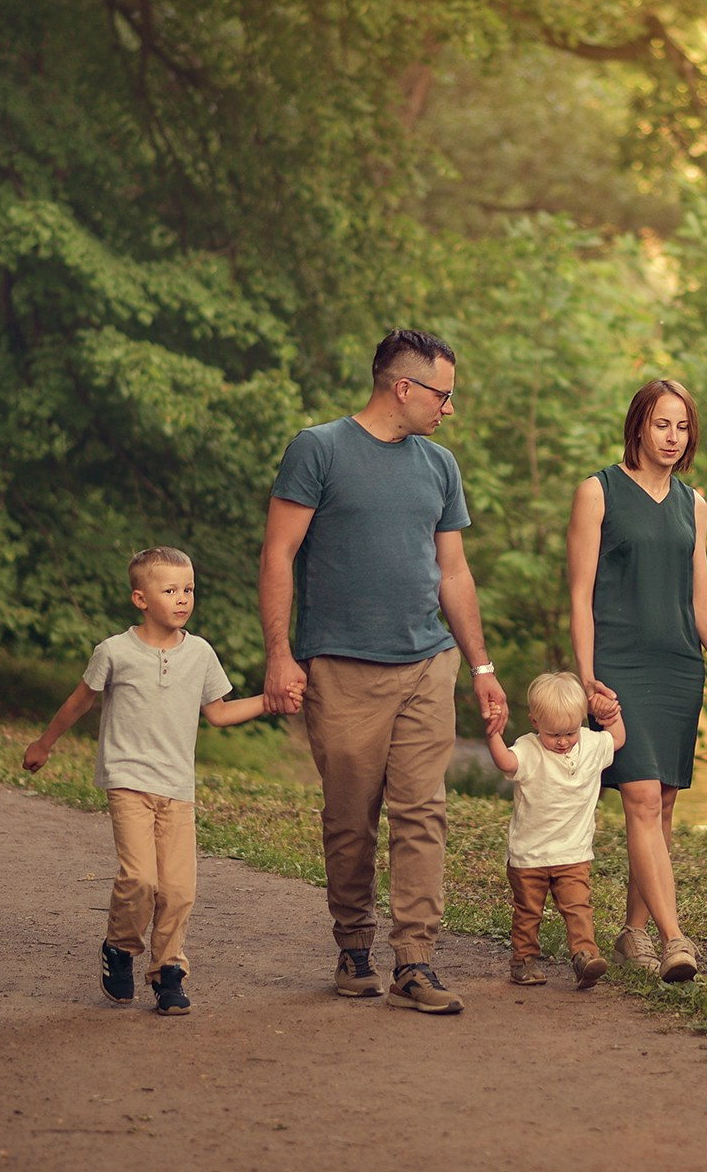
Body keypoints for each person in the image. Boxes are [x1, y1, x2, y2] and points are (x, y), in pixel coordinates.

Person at [258, 329, 510, 1016]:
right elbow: (279, 553)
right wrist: (280, 653)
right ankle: (353, 946)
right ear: (404, 387)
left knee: (422, 809)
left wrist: (481, 666)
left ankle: (416, 960)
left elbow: (453, 572)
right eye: (443, 394)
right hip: (340, 667)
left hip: (428, 663)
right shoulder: (320, 448)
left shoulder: (439, 465)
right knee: (349, 817)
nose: (448, 408)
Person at [22, 546, 284, 1016]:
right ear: (140, 599)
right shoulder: (115, 652)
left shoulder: (200, 652)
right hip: (127, 780)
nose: (182, 599)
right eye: (170, 590)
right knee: (141, 878)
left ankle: (168, 972)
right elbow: (79, 702)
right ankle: (120, 948)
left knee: (179, 889)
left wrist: (268, 701)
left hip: (177, 787)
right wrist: (44, 744)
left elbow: (219, 714)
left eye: (188, 590)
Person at [566, 377, 707, 984]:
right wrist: (588, 677)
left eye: (682, 427)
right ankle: (676, 939)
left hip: (677, 665)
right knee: (642, 799)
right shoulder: (597, 493)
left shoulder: (691, 503)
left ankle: (634, 934)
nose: (673, 437)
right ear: (638, 425)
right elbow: (579, 592)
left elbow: (701, 596)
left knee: (662, 806)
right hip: (618, 664)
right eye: (662, 424)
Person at [487, 672, 625, 990]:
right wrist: (494, 733)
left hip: (573, 853)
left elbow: (616, 739)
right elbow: (506, 763)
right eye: (553, 735)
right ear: (535, 722)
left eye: (569, 732)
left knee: (578, 907)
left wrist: (611, 715)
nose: (562, 741)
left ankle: (584, 956)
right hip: (529, 856)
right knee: (528, 911)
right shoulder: (528, 749)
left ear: (580, 722)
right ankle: (523, 961)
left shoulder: (590, 743)